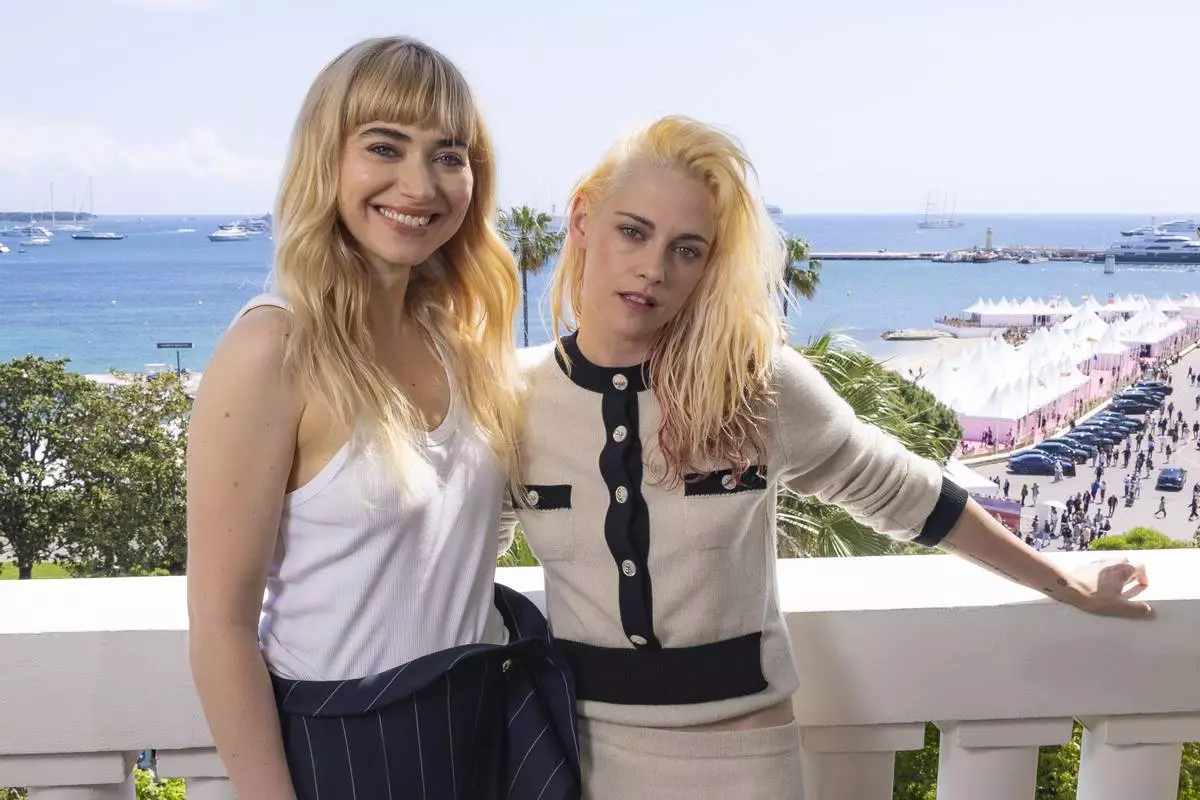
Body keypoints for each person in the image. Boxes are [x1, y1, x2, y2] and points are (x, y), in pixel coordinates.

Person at [509, 116, 1154, 799]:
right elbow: (456, 566)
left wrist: (1064, 582)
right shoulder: (510, 401)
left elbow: (907, 494)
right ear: (583, 221)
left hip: (746, 765)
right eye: (633, 231)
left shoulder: (756, 386)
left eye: (687, 249)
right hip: (573, 767)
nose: (653, 268)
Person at [186, 38, 577, 800]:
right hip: (344, 755)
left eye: (448, 155)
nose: (419, 183)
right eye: (384, 147)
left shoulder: (459, 344)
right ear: (325, 159)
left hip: (479, 740)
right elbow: (221, 629)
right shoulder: (273, 350)